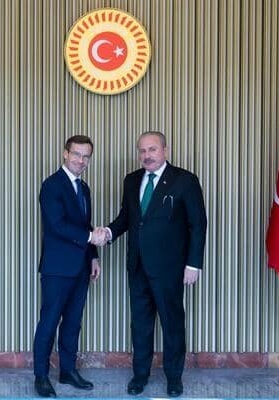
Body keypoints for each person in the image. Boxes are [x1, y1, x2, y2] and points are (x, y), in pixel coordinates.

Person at [102, 131, 207, 397]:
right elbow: (127, 217)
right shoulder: (131, 180)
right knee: (140, 324)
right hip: (137, 266)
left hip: (170, 268)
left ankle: (174, 377)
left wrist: (193, 264)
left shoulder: (185, 180)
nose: (146, 155)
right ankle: (140, 376)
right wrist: (109, 232)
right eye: (142, 151)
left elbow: (198, 224)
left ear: (165, 150)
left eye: (152, 149)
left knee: (172, 324)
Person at [33, 135, 105, 398]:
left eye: (86, 156)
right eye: (76, 154)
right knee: (49, 322)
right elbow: (57, 224)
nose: (81, 160)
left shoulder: (84, 188)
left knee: (73, 322)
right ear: (65, 153)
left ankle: (67, 370)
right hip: (57, 268)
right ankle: (41, 376)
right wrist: (91, 237)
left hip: (81, 267)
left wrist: (93, 256)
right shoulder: (52, 185)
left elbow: (86, 224)